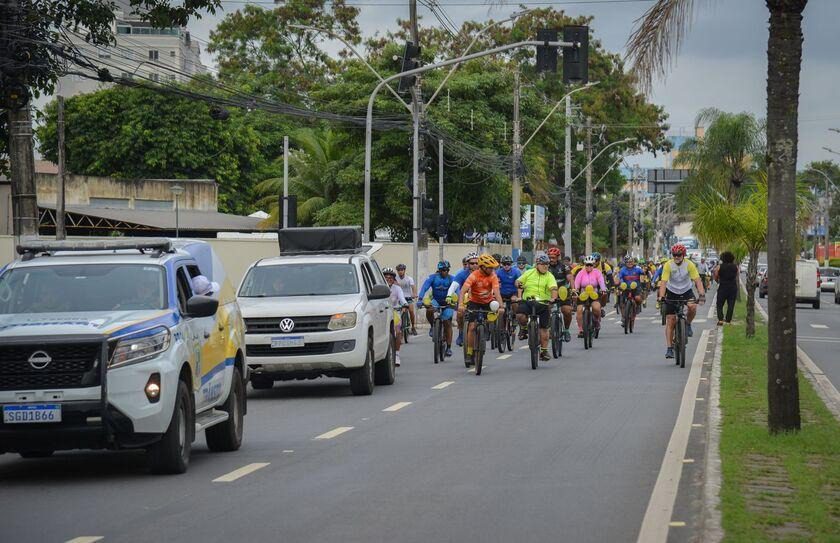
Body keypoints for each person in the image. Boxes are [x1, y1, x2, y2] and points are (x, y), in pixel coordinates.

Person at [658, 243, 706, 359]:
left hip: (686, 291)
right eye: (674, 255)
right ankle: (669, 348)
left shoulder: (689, 265)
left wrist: (702, 294)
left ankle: (688, 324)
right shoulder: (668, 265)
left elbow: (697, 280)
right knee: (670, 320)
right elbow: (663, 282)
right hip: (672, 291)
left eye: (679, 255)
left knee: (692, 307)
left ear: (683, 255)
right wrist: (662, 296)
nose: (676, 257)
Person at [457, 254, 504, 366]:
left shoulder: (493, 276)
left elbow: (497, 293)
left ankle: (485, 329)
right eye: (490, 268)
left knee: (492, 315)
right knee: (472, 326)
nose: (492, 270)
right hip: (474, 302)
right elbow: (463, 291)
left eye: (493, 268)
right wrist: (461, 305)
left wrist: (501, 307)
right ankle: (469, 352)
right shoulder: (474, 275)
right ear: (482, 267)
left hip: (488, 302)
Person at [515, 254, 558, 361]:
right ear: (537, 265)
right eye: (543, 264)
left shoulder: (549, 276)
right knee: (520, 315)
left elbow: (553, 289)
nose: (546, 266)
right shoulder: (529, 273)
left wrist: (553, 298)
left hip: (543, 303)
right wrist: (519, 285)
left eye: (547, 264)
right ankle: (524, 329)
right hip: (528, 301)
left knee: (544, 328)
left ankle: (544, 351)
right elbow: (518, 281)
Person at [417, 260, 456, 357]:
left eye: (447, 270)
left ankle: (449, 347)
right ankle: (432, 326)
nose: (445, 272)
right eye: (443, 270)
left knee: (447, 322)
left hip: (448, 302)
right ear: (439, 270)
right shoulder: (432, 277)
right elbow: (424, 287)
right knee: (429, 309)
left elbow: (458, 290)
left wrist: (459, 303)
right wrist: (420, 299)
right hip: (436, 300)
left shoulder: (452, 279)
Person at [447, 252, 479, 346]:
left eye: (477, 263)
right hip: (465, 298)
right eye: (472, 263)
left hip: (480, 298)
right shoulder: (461, 274)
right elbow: (453, 286)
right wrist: (449, 295)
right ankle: (461, 332)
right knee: (460, 314)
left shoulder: (484, 274)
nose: (474, 265)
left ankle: (483, 329)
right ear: (468, 264)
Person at [573, 255, 607, 337]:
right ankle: (581, 330)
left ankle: (597, 321)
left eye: (590, 265)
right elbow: (577, 283)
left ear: (593, 265)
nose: (589, 266)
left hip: (594, 294)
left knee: (596, 308)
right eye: (587, 265)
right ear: (584, 264)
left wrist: (603, 289)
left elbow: (601, 281)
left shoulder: (597, 272)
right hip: (583, 294)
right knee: (579, 310)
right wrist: (576, 290)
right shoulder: (581, 272)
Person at [546, 247, 573, 342]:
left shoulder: (564, 267)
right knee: (545, 309)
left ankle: (566, 330)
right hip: (549, 292)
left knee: (567, 311)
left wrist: (573, 290)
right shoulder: (545, 266)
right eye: (549, 257)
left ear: (558, 257)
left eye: (553, 257)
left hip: (563, 292)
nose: (551, 259)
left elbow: (570, 278)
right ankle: (549, 327)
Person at [382, 267, 408, 366]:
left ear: (394, 279)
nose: (388, 279)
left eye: (391, 277)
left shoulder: (397, 288)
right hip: (382, 313)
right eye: (386, 277)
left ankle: (396, 354)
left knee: (398, 332)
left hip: (394, 312)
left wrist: (405, 304)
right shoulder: (378, 287)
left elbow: (402, 298)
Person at [615, 256, 645, 327]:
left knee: (637, 298)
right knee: (621, 301)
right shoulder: (622, 270)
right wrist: (620, 282)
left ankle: (638, 306)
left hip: (636, 288)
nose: (630, 263)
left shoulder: (637, 269)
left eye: (631, 262)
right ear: (625, 263)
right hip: (625, 287)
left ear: (633, 262)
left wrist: (643, 273)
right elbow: (620, 277)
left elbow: (643, 273)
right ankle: (623, 317)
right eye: (628, 262)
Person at [714, 251, 739, 325]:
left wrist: (718, 280)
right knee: (731, 304)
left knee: (719, 304)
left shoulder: (719, 267)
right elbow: (737, 275)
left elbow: (716, 275)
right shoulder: (735, 267)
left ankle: (720, 319)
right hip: (733, 287)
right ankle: (728, 320)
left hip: (723, 287)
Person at [395, 264, 417, 335]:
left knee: (411, 310)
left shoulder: (409, 278)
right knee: (397, 312)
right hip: (399, 298)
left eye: (402, 270)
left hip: (408, 297)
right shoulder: (395, 279)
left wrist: (414, 294)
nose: (400, 272)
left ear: (404, 270)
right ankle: (399, 326)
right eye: (399, 270)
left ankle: (413, 327)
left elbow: (413, 287)